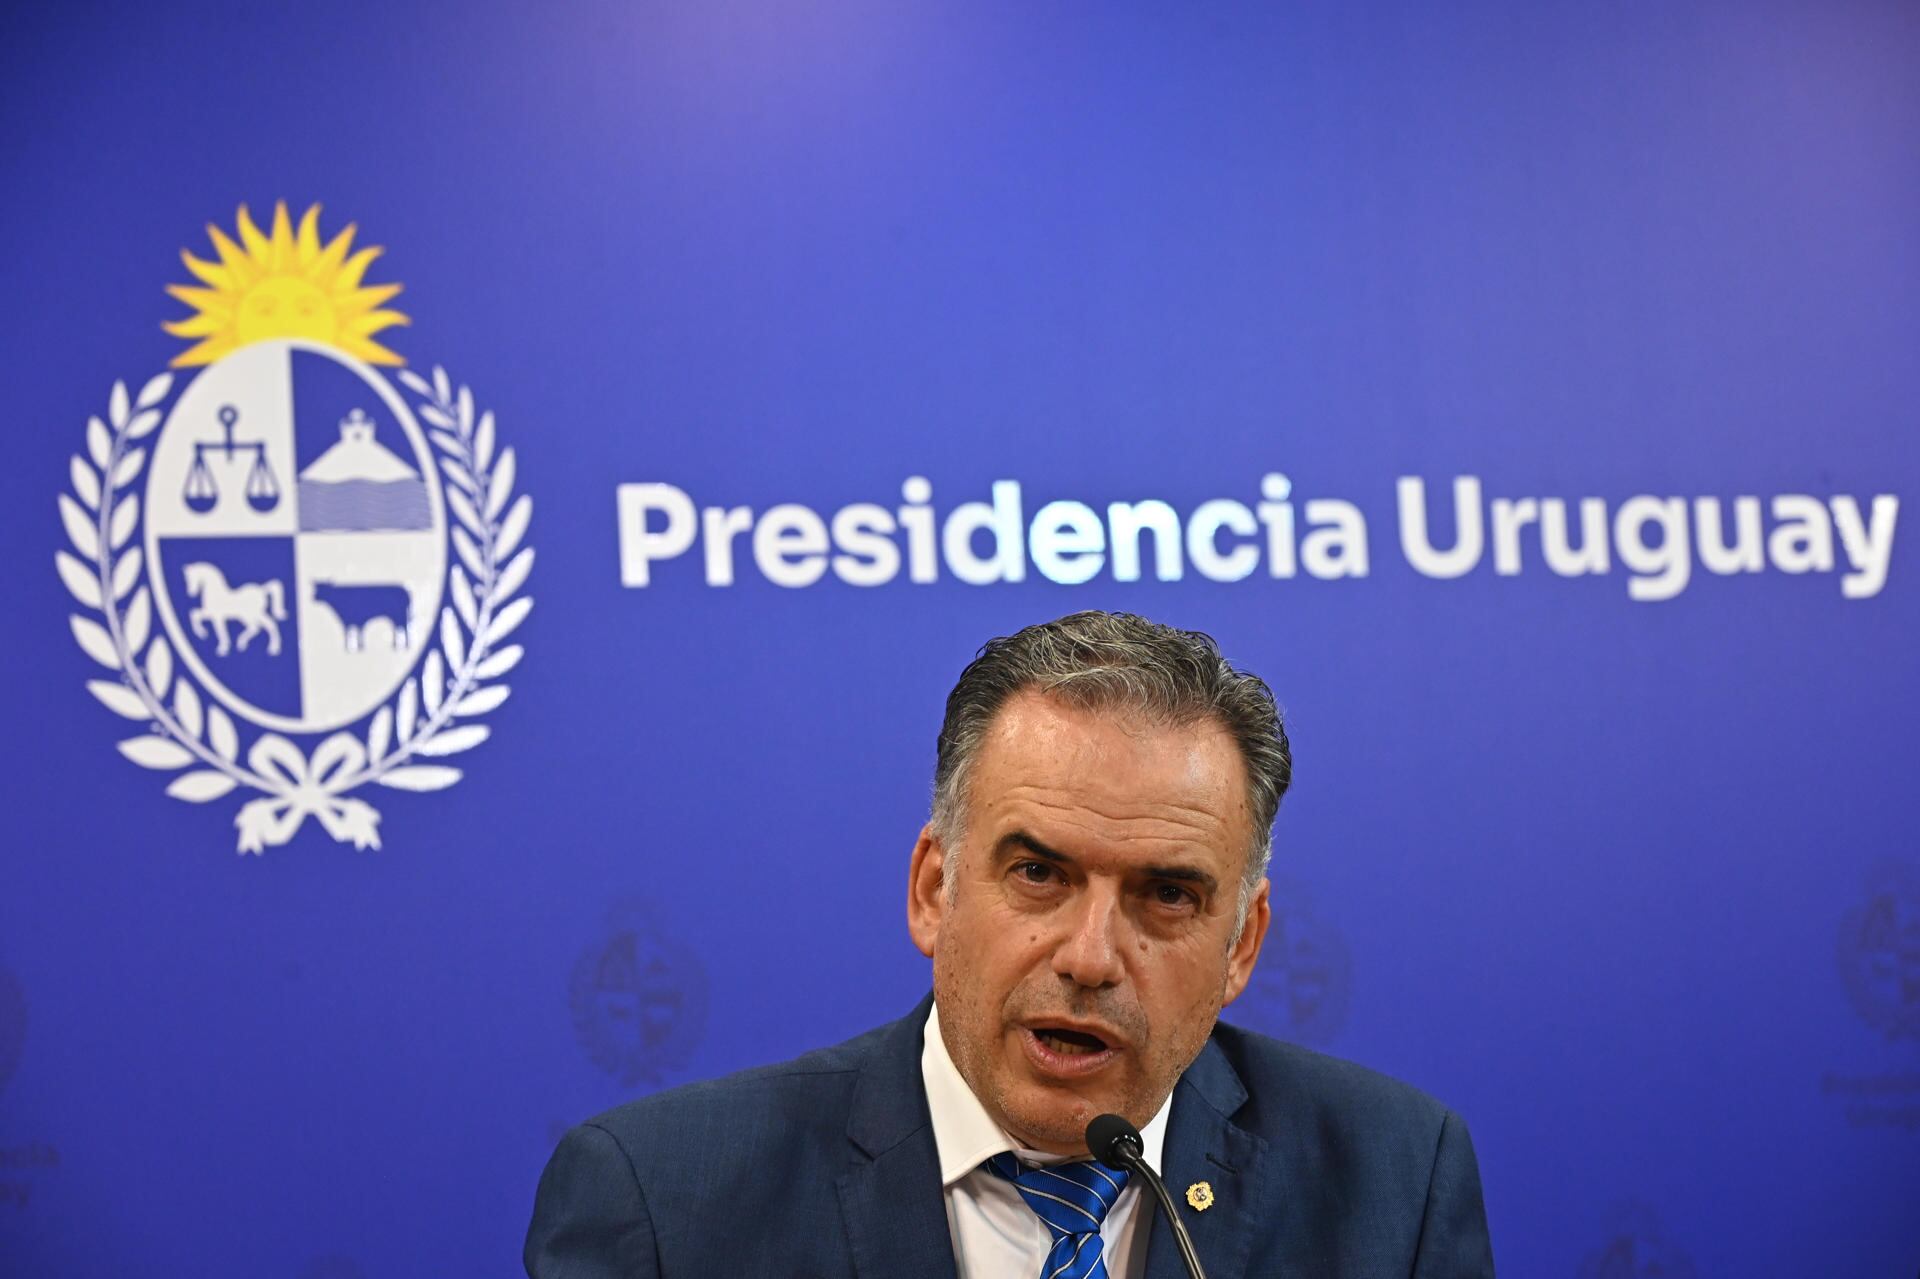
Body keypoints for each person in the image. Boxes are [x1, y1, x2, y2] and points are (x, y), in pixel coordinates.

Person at [525, 611, 1495, 1277]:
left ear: (1242, 944)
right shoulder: (666, 1204)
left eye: (1166, 894)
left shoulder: (1391, 1182)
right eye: (1038, 873)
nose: (1090, 957)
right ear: (933, 889)